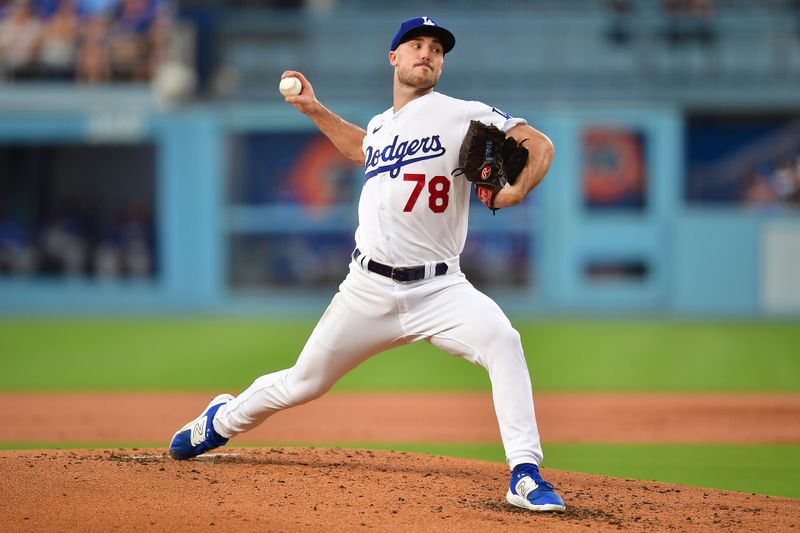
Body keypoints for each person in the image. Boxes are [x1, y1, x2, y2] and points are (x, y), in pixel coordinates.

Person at [169, 16, 565, 513]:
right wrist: (314, 109)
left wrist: (514, 190)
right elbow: (362, 147)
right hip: (367, 289)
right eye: (416, 45)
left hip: (442, 290)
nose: (427, 54)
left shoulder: (464, 114)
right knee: (304, 382)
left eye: (436, 50)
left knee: (504, 341)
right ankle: (220, 420)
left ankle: (524, 474)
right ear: (394, 58)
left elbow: (540, 145)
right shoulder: (382, 126)